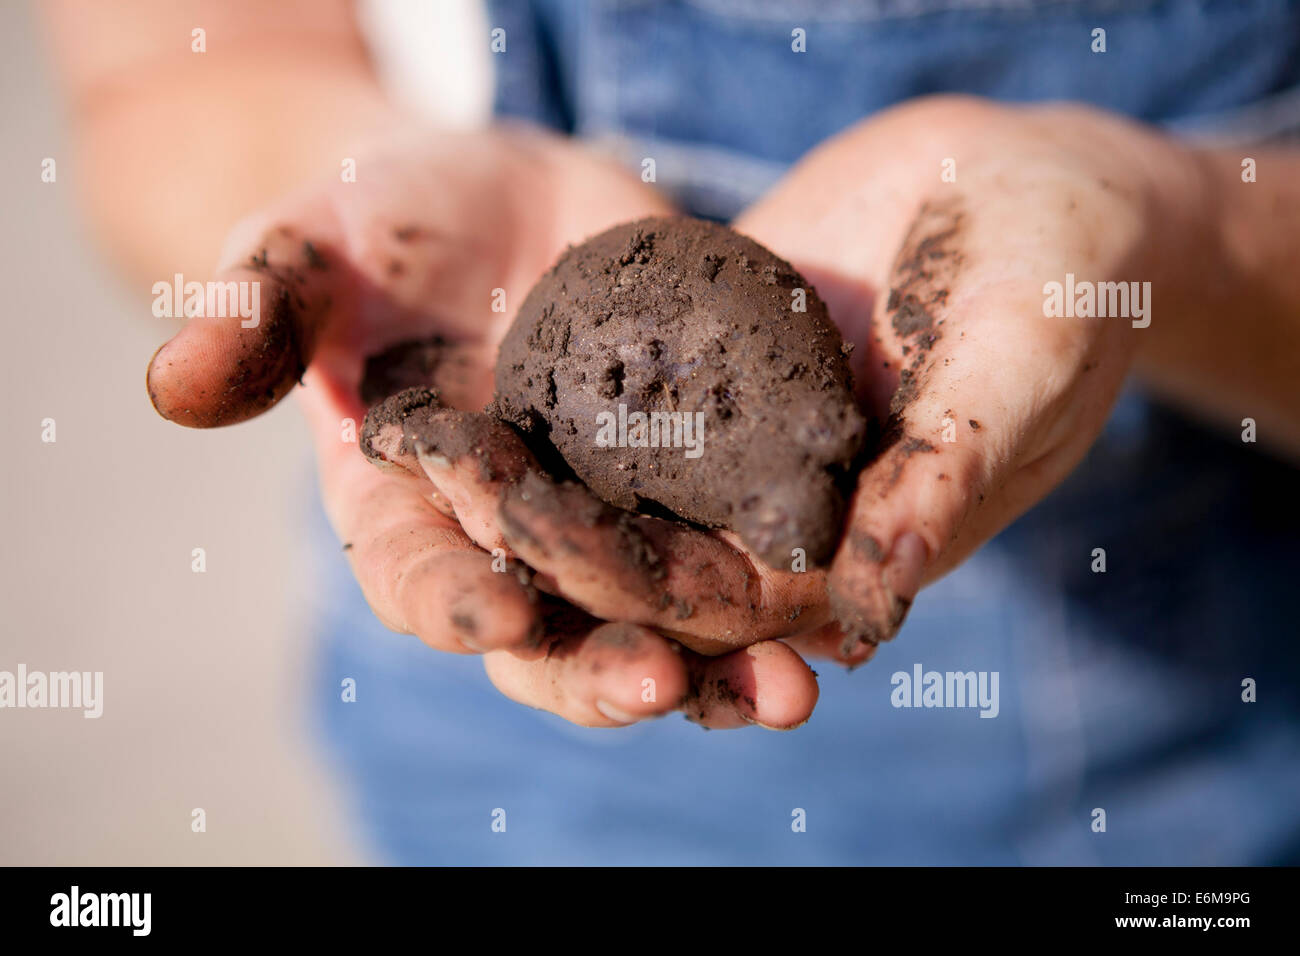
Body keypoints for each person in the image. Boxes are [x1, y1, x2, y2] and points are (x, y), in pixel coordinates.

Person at [45, 0, 1300, 864]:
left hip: (1187, 776)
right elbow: (171, 70)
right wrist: (355, 194)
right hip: (513, 765)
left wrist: (1167, 232)